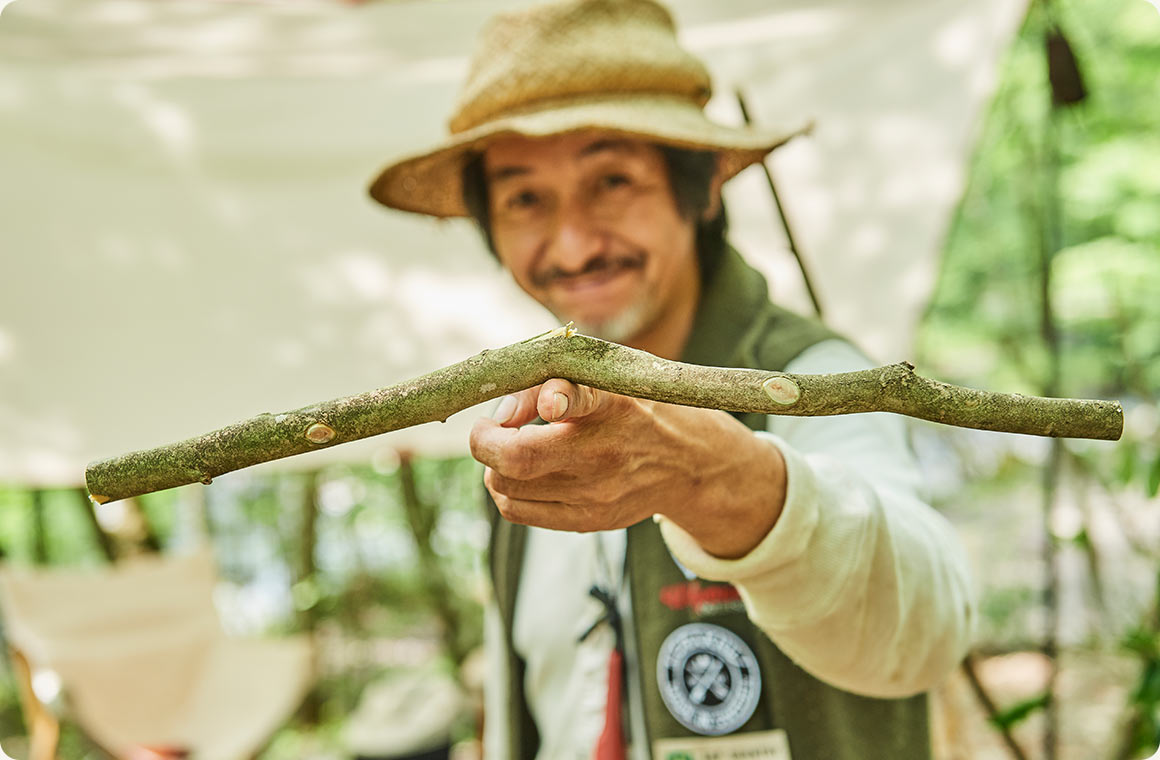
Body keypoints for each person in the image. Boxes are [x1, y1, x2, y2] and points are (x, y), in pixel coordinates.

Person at [367, 1, 974, 758]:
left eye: (612, 181)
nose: (574, 243)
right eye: (525, 197)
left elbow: (928, 628)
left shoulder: (810, 378)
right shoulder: (525, 428)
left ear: (703, 185)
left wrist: (719, 481)